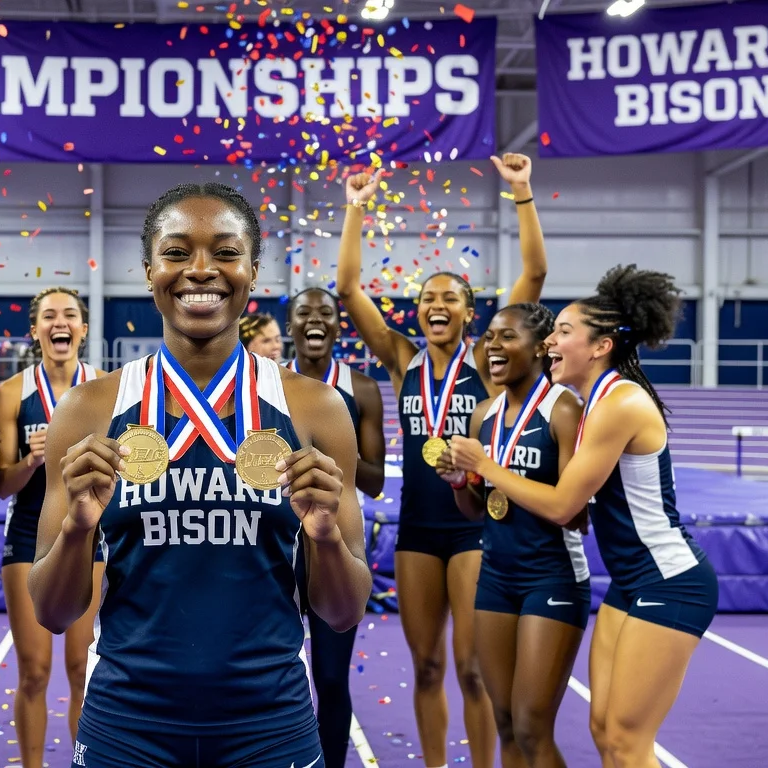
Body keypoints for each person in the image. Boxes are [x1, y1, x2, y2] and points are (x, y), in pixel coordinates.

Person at [29, 183, 370, 768]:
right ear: (149, 271)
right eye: (178, 252)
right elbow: (52, 613)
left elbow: (342, 613)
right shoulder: (88, 410)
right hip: (126, 726)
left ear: (253, 272)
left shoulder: (317, 408)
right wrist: (78, 531)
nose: (201, 271)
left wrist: (326, 540)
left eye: (226, 252)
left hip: (270, 728)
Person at [448, 266, 718, 768]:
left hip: (670, 581)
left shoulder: (621, 402)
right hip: (631, 582)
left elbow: (564, 507)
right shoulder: (596, 399)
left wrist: (485, 465)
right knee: (604, 731)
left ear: (601, 347)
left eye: (563, 332)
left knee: (625, 741)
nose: (550, 340)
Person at [337, 154, 547, 768]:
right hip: (417, 532)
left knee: (472, 668)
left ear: (467, 311)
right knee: (427, 666)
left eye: (449, 298)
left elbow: (533, 274)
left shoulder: (487, 360)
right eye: (427, 297)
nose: (436, 305)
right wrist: (355, 205)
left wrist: (522, 193)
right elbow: (349, 288)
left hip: (476, 528)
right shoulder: (402, 360)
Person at [437, 303, 589, 768]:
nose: (493, 346)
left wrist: (489, 468)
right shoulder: (484, 414)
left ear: (541, 348)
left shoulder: (564, 409)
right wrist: (462, 480)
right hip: (496, 575)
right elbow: (474, 511)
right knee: (503, 720)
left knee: (530, 725)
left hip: (552, 577)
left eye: (507, 337)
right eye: (489, 337)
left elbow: (575, 514)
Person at [0, 286, 103, 768]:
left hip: (90, 540)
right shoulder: (13, 393)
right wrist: (33, 459)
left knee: (82, 669)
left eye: (70, 315)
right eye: (50, 316)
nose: (61, 323)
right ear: (36, 331)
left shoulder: (105, 387)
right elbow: (0, 486)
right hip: (27, 541)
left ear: (83, 328)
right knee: (34, 672)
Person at [285, 286, 386, 766]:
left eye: (325, 312)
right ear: (291, 327)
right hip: (278, 544)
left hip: (335, 541)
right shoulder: (268, 387)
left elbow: (376, 479)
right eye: (303, 312)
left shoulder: (361, 389)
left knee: (329, 677)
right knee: (270, 670)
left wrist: (332, 458)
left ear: (338, 327)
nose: (314, 319)